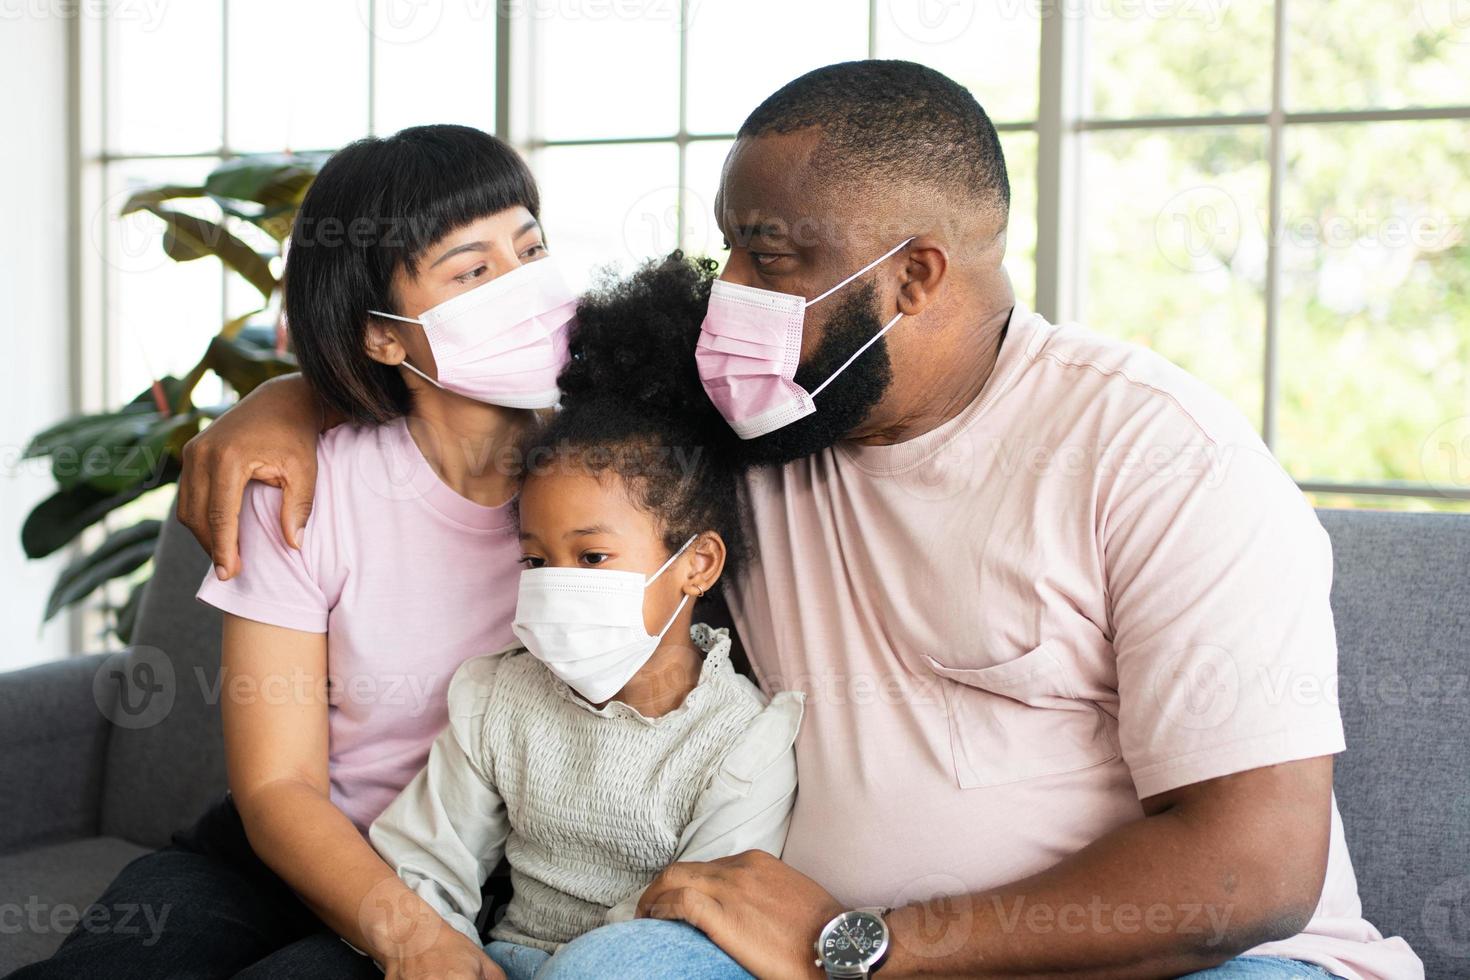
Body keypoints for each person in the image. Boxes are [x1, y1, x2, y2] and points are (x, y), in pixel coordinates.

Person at [171, 62, 1422, 979]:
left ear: (912, 276)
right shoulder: (740, 424)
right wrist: (288, 399)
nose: (730, 298)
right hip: (782, 947)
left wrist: (862, 941)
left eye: (768, 259)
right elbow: (519, 417)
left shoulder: (1159, 455)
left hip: (1139, 958)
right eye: (725, 253)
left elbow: (1252, 870)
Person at [13, 124, 574, 979]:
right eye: (474, 271)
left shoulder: (614, 472)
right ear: (384, 336)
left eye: (530, 250)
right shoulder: (304, 490)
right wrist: (410, 937)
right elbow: (277, 789)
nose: (523, 290)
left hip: (473, 874)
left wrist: (429, 927)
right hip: (275, 856)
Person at [369, 256, 801, 980]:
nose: (556, 585)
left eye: (593, 557)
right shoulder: (497, 700)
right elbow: (425, 860)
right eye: (537, 561)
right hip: (509, 960)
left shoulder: (742, 741)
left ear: (696, 565)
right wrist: (437, 949)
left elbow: (707, 911)